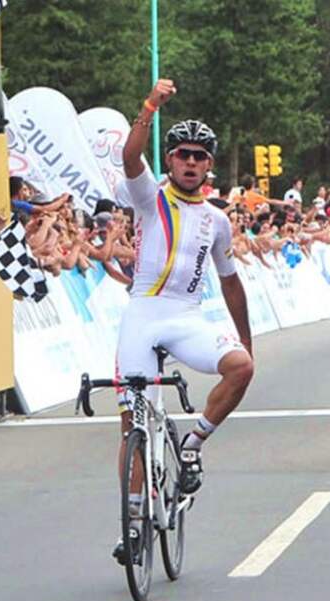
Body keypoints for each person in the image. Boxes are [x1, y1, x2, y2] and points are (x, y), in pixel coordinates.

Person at [115, 78, 254, 563]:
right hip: (143, 314)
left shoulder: (218, 220)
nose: (190, 162)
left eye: (199, 156)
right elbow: (130, 157)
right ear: (170, 160)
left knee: (241, 368)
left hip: (187, 317)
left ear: (209, 164)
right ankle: (132, 523)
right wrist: (150, 105)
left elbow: (231, 283)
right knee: (132, 422)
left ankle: (192, 444)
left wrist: (246, 341)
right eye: (182, 154)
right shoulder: (149, 197)